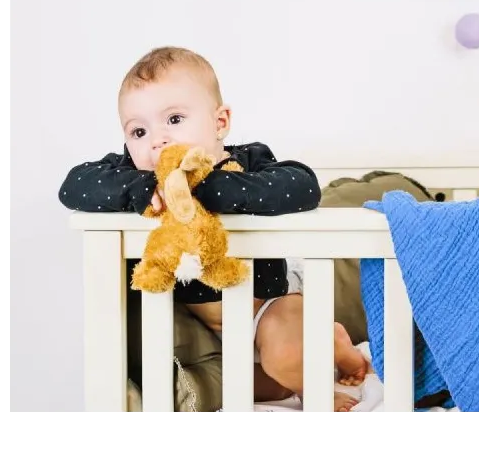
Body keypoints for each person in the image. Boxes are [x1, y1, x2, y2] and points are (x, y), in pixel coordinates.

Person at [59, 46, 369, 410]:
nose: (157, 140)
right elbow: (73, 185)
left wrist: (205, 188)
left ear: (220, 123)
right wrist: (140, 190)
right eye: (138, 131)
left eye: (174, 119)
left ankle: (334, 355)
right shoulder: (139, 177)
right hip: (211, 331)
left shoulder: (247, 160)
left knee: (285, 355)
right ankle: (312, 353)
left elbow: (303, 186)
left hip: (270, 304)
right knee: (238, 386)